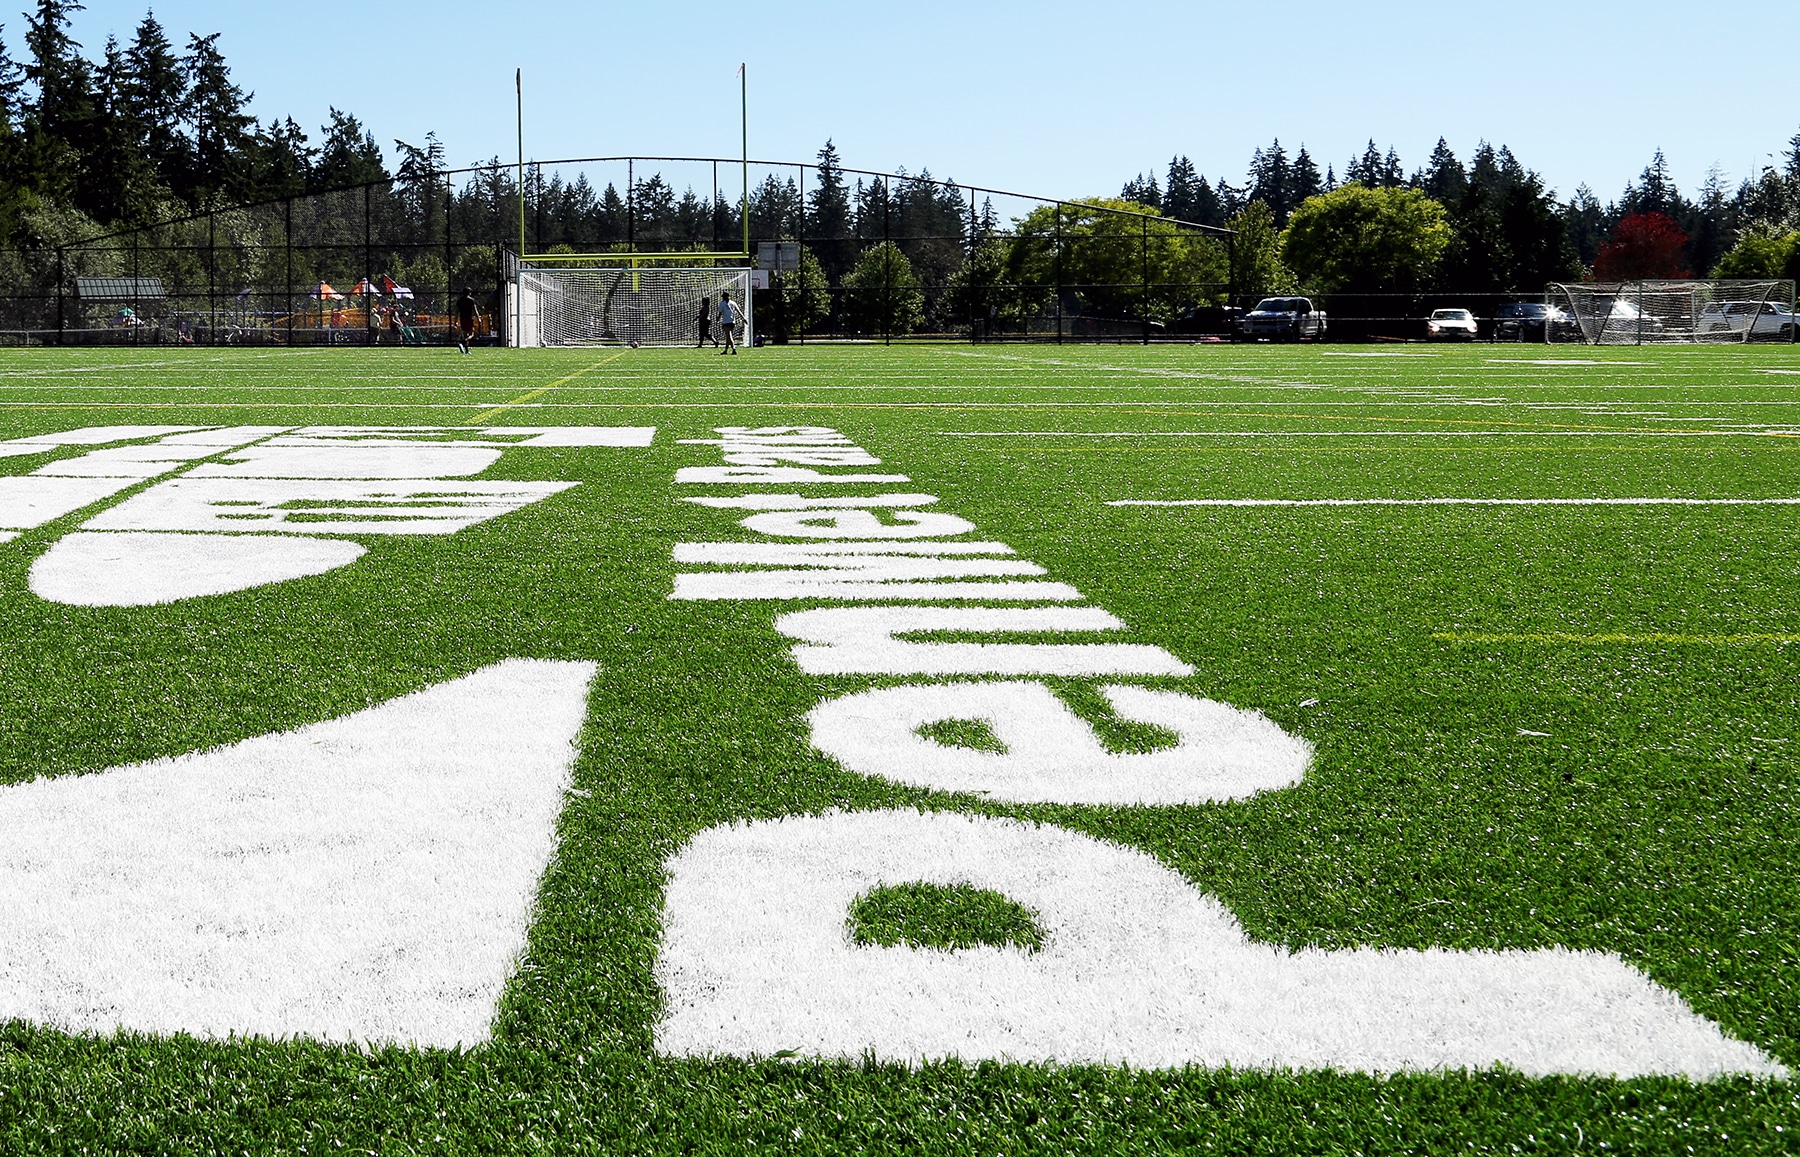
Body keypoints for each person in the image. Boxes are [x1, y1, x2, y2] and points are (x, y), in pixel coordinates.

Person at [717, 290, 741, 355]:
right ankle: (726, 350)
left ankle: (734, 348)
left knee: (729, 336)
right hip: (732, 321)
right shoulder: (733, 303)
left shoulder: (722, 303)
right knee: (728, 337)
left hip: (726, 322)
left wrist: (718, 319)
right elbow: (739, 311)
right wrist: (743, 318)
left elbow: (720, 313)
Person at [457, 287, 479, 354]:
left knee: (465, 334)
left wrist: (455, 321)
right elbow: (475, 310)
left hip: (462, 318)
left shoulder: (460, 300)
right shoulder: (471, 300)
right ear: (469, 292)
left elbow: (457, 311)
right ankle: (463, 342)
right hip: (469, 318)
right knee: (472, 334)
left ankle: (466, 350)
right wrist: (478, 318)